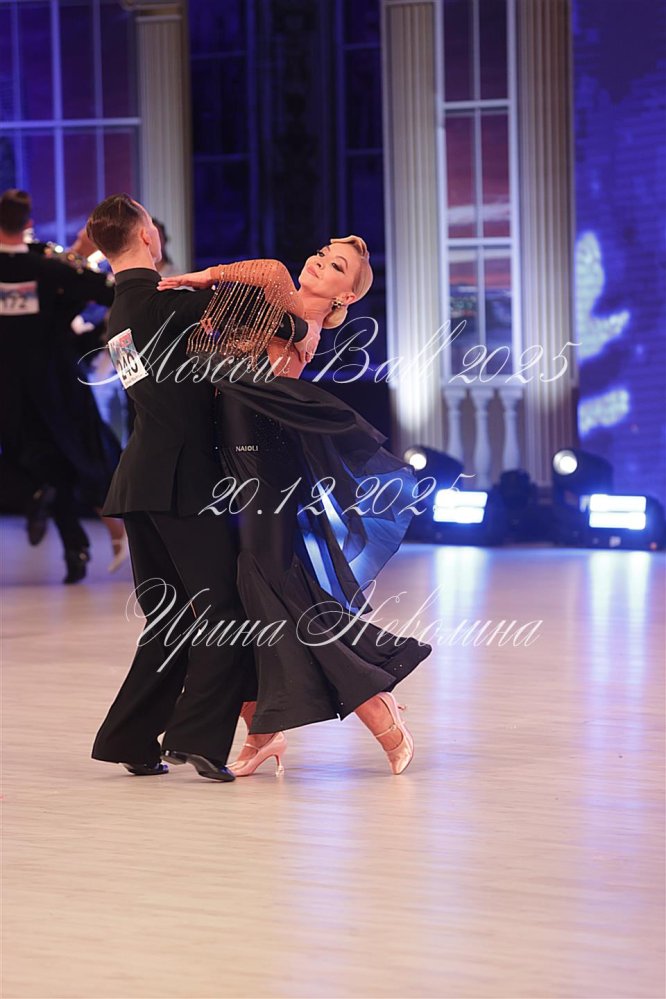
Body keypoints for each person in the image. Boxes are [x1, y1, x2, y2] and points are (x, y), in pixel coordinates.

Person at [157, 239, 432, 776]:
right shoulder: (275, 307)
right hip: (231, 455)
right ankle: (263, 731)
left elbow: (267, 270)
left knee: (270, 585)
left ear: (345, 296)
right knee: (245, 597)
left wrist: (202, 276)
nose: (319, 262)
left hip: (263, 460)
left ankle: (375, 706)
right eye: (323, 253)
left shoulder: (300, 316)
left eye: (335, 266)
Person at [85, 193, 311, 781]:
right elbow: (285, 317)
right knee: (225, 609)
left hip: (139, 483)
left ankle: (130, 738)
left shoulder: (118, 316)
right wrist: (216, 285)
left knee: (170, 619)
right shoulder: (174, 304)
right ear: (148, 237)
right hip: (183, 483)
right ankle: (197, 739)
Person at [0, 189, 118, 583]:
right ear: (27, 223)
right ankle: (73, 548)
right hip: (50, 386)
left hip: (7, 389)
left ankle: (39, 502)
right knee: (56, 462)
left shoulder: (45, 265)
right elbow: (105, 290)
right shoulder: (47, 268)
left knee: (36, 463)